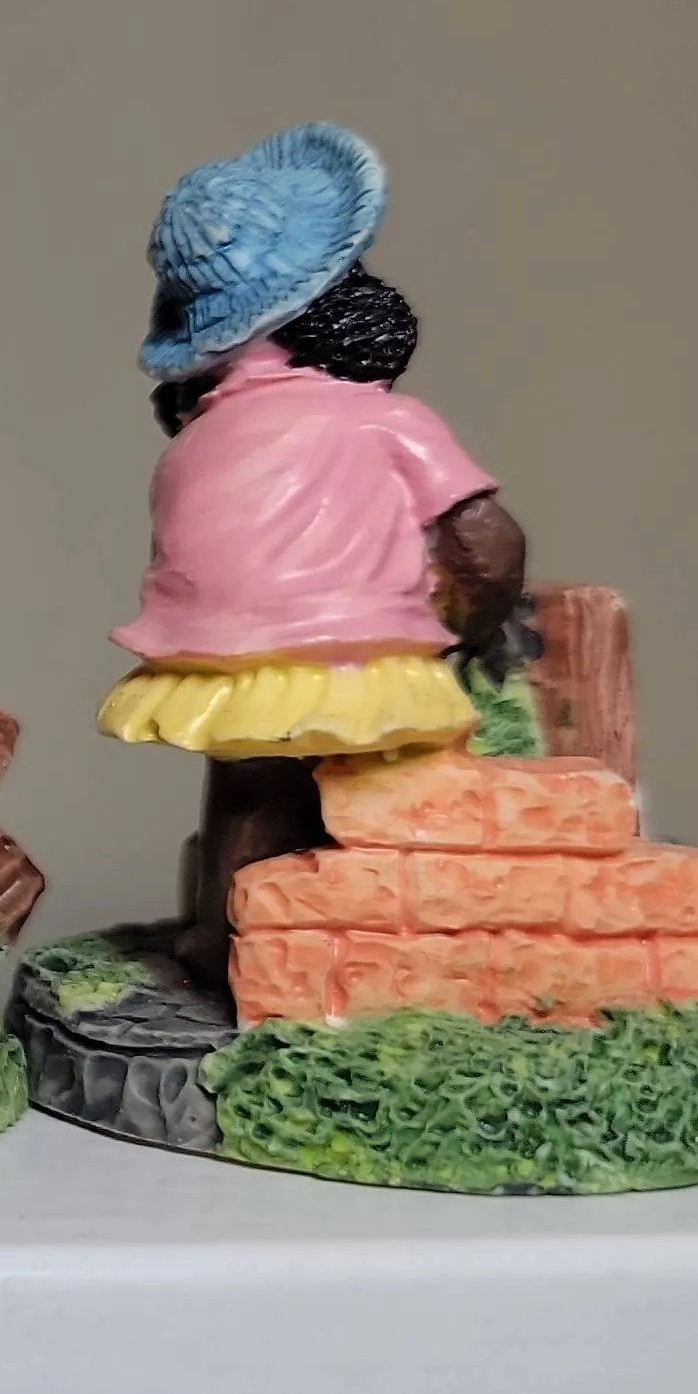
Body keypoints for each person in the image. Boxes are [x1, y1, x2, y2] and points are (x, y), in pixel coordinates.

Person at [100, 125, 525, 989]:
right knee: (379, 792)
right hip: (356, 660)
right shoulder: (384, 420)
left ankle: (227, 944)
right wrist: (474, 627)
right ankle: (357, 958)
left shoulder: (193, 442)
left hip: (216, 664)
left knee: (248, 792)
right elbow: (486, 544)